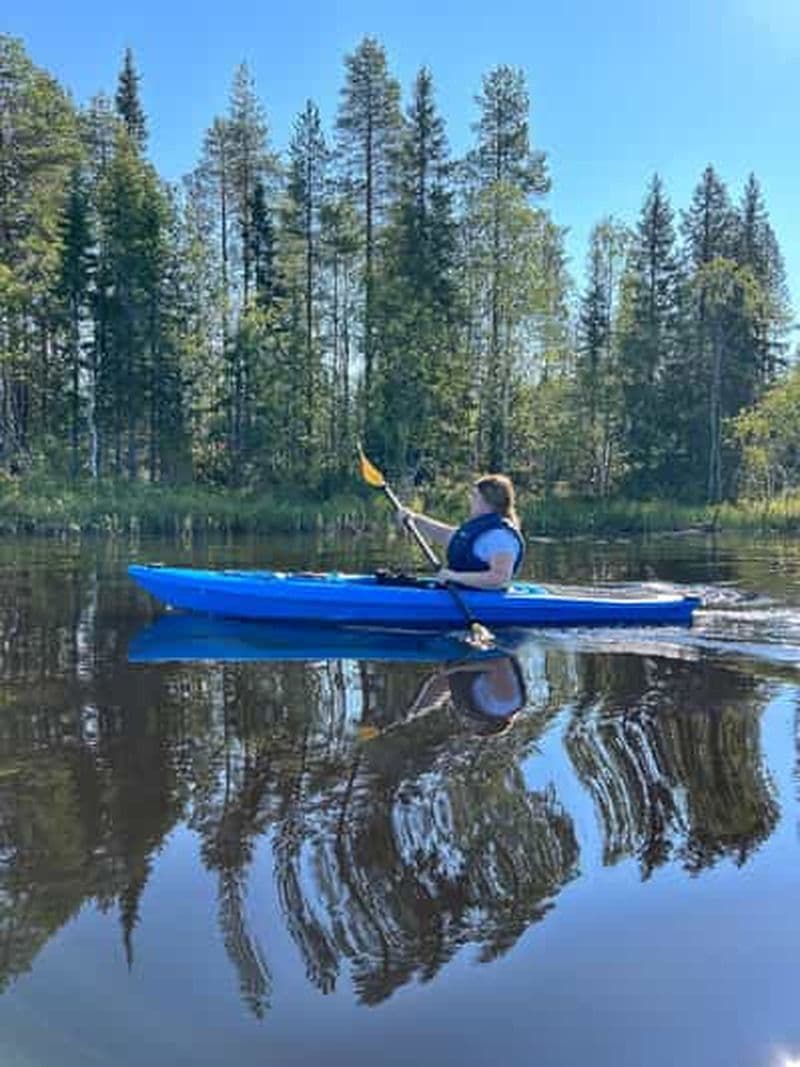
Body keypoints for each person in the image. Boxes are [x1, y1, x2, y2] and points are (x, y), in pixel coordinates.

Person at [398, 474, 525, 590]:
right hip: (461, 593)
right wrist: (415, 519)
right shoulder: (481, 530)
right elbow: (446, 535)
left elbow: (499, 578)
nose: (470, 500)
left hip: (483, 601)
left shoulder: (500, 537)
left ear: (488, 501)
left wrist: (454, 577)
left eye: (475, 496)